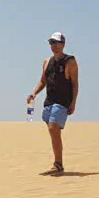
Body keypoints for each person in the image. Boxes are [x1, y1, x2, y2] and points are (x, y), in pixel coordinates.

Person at [27, 31, 78, 174]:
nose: (53, 45)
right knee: (53, 131)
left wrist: (73, 102)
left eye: (56, 43)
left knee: (53, 128)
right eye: (51, 43)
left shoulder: (70, 61)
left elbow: (75, 83)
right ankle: (58, 163)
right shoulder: (47, 62)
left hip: (63, 102)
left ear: (63, 44)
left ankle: (58, 164)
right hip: (49, 102)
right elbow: (43, 81)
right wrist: (34, 93)